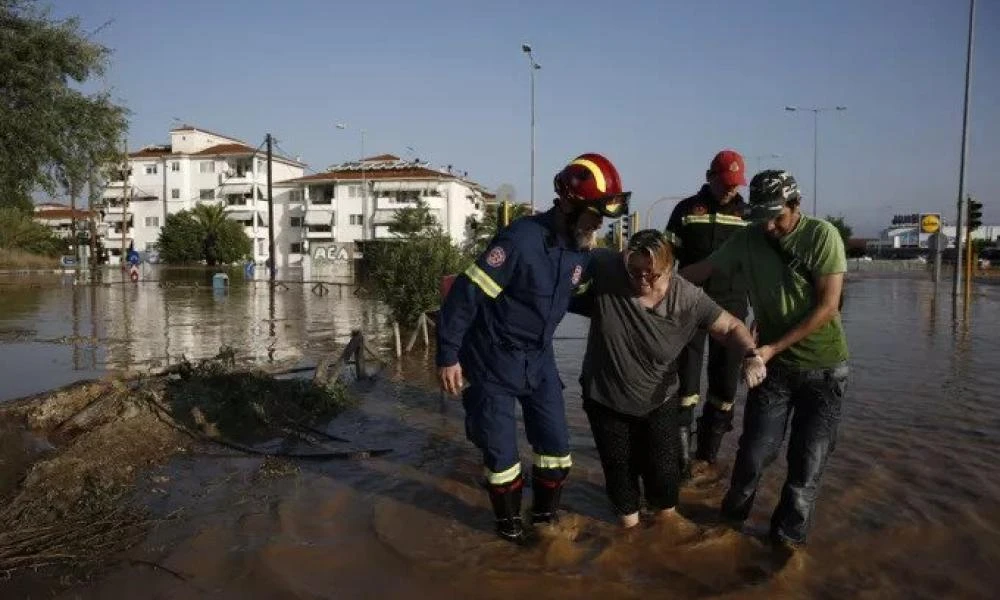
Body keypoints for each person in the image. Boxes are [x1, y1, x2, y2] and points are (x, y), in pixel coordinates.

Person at [436, 153, 630, 543]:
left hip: (539, 360)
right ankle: (508, 533)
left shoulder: (579, 250)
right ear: (571, 205)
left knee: (557, 450)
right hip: (493, 358)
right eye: (594, 215)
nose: (599, 226)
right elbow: (466, 294)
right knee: (503, 458)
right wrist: (448, 355)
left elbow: (572, 297)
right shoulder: (520, 241)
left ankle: (544, 524)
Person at [680, 169, 849, 547]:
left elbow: (827, 307)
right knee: (753, 456)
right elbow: (701, 271)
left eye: (778, 216)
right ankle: (727, 529)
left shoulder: (822, 236)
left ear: (795, 204)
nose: (769, 226)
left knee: (806, 469)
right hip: (771, 371)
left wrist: (771, 348)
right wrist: (651, 280)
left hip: (824, 371)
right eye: (761, 217)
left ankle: (785, 546)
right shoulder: (747, 239)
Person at [570, 230, 765, 528]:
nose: (641, 280)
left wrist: (751, 355)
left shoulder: (688, 298)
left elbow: (729, 327)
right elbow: (560, 267)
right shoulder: (607, 267)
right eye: (633, 271)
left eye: (652, 274)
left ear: (670, 270)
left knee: (664, 487)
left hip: (658, 400)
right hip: (605, 398)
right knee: (624, 501)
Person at [665, 149, 750, 478]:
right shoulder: (686, 210)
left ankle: (708, 458)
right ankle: (681, 461)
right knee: (685, 381)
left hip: (734, 307)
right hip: (689, 304)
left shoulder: (749, 214)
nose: (731, 190)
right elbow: (665, 257)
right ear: (709, 176)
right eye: (725, 183)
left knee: (725, 384)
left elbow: (759, 265)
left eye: (735, 184)